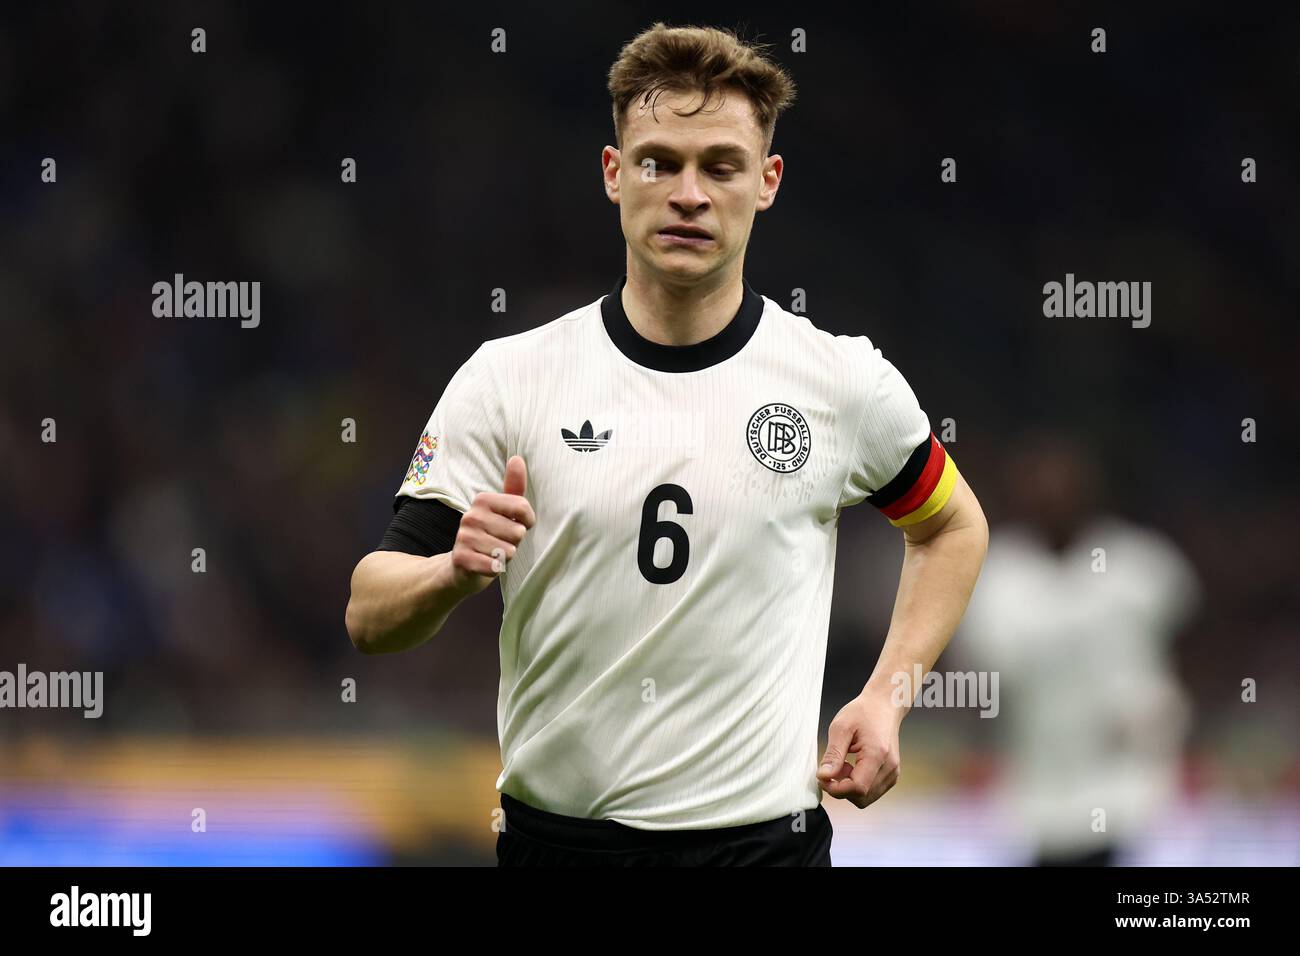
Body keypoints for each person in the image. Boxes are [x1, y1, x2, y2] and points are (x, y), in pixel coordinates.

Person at [345, 22, 988, 866]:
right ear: (615, 176)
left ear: (767, 181)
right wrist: (447, 573)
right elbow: (368, 613)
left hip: (765, 851)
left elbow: (952, 527)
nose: (689, 192)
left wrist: (887, 697)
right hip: (559, 847)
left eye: (720, 166)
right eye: (659, 161)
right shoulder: (510, 378)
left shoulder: (840, 382)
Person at [957, 431, 1199, 866]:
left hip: (1136, 782)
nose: (1053, 503)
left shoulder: (1139, 565)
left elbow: (1194, 644)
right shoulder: (999, 580)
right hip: (1041, 789)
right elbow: (977, 686)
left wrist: (1171, 707)